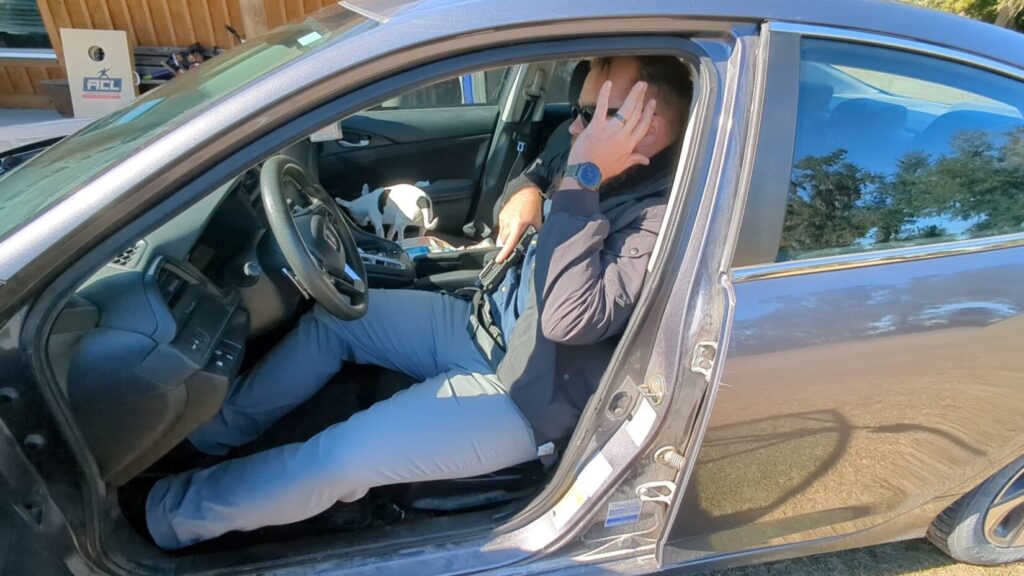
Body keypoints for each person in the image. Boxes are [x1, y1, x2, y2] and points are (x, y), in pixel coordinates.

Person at [140, 55, 693, 550]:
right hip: (482, 324)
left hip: (525, 396)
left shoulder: (659, 217)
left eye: (593, 114)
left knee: (342, 457)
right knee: (337, 321)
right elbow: (536, 173)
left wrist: (583, 181)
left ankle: (163, 516)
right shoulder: (582, 153)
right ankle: (205, 438)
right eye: (577, 109)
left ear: (649, 125)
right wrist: (525, 191)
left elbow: (569, 318)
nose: (574, 127)